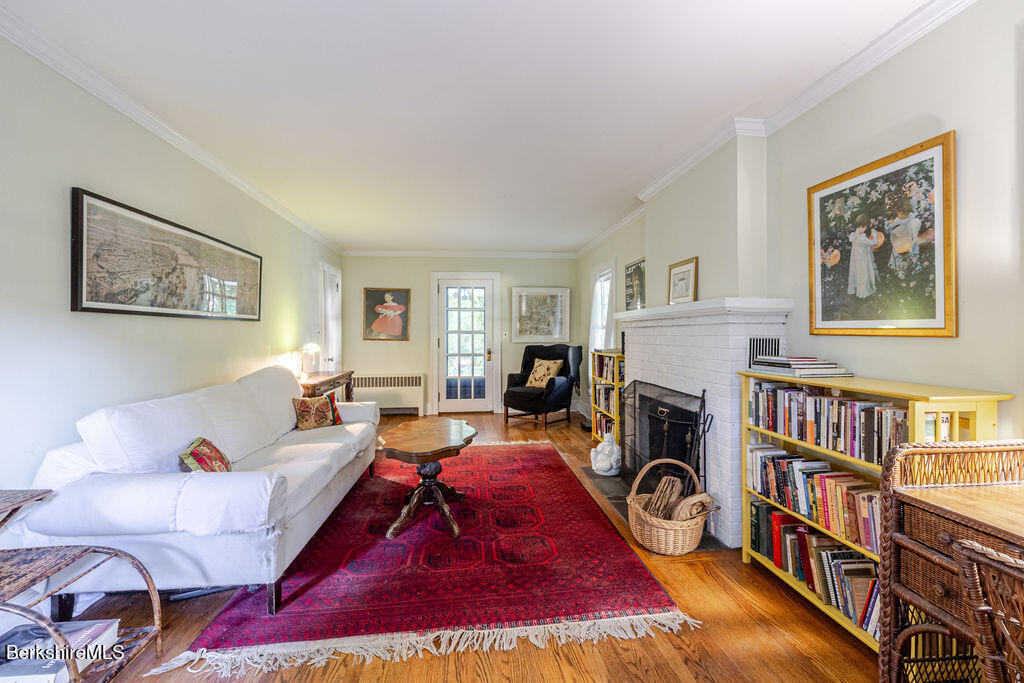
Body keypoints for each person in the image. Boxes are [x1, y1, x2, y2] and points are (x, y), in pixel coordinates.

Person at [885, 197, 923, 276]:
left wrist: (910, 249)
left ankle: (914, 272)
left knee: (912, 257)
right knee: (897, 251)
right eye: (898, 214)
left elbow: (915, 238)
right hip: (901, 241)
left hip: (911, 242)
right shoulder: (899, 219)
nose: (898, 216)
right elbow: (889, 228)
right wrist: (889, 224)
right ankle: (900, 272)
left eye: (899, 214)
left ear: (905, 213)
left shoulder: (914, 221)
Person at [847, 213, 879, 298]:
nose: (866, 229)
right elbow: (874, 243)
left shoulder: (854, 235)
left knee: (859, 275)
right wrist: (874, 234)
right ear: (862, 226)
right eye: (865, 227)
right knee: (864, 275)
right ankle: (863, 293)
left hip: (856, 259)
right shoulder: (861, 238)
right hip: (862, 259)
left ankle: (859, 291)